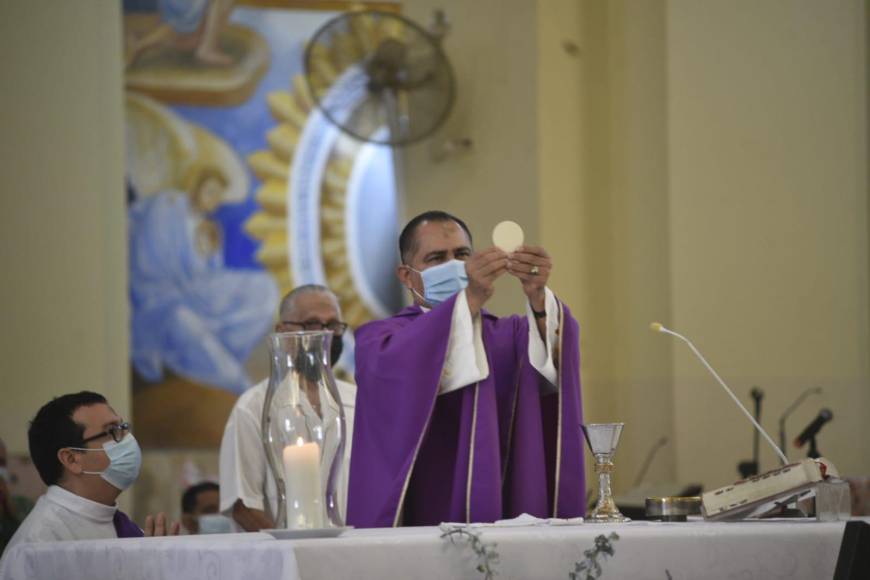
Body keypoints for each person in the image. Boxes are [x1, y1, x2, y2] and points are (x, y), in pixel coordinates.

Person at [347, 211, 585, 527]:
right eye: (436, 258)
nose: (455, 266)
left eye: (462, 254)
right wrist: (469, 298)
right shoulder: (379, 338)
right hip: (425, 506)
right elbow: (392, 372)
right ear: (407, 275)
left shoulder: (506, 335)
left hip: (503, 506)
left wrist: (538, 298)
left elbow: (551, 369)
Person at [129, 164, 278, 394]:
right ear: (196, 186)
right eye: (210, 191)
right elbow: (152, 259)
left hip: (196, 292)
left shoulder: (206, 225)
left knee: (263, 288)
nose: (213, 200)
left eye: (218, 196)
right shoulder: (168, 206)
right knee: (189, 326)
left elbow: (208, 272)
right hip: (162, 296)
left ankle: (227, 342)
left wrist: (209, 248)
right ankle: (239, 382)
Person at [219, 285, 356, 531]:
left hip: (353, 551)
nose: (324, 335)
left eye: (333, 325)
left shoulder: (360, 400)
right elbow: (242, 504)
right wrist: (292, 549)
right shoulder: (254, 406)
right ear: (282, 331)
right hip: (283, 558)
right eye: (312, 324)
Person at [2, 392, 178, 558]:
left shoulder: (114, 521)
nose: (127, 439)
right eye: (112, 431)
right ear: (72, 459)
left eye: (123, 427)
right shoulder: (39, 545)